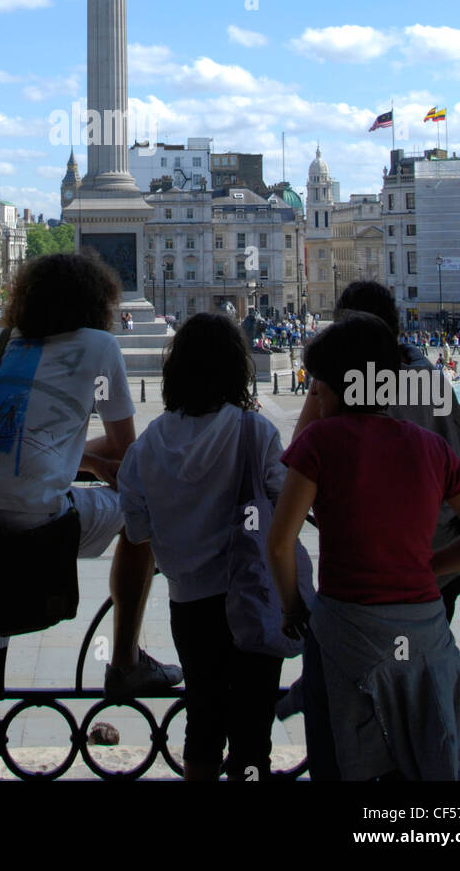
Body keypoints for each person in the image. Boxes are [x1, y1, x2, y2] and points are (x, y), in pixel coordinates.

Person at [0, 251, 181, 781]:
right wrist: (90, 461)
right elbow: (127, 457)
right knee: (146, 508)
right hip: (33, 524)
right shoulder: (100, 346)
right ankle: (125, 662)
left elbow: (14, 428)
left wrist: (76, 456)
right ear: (98, 300)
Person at [268, 312, 460, 781]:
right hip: (423, 629)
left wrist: (294, 609)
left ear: (334, 386)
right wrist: (425, 567)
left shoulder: (321, 441)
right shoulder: (430, 448)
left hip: (346, 628)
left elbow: (279, 544)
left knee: (340, 755)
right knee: (425, 756)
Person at [117, 314, 291, 782]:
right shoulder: (256, 433)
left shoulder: (149, 443)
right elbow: (286, 503)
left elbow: (135, 528)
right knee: (253, 731)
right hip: (252, 596)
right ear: (237, 369)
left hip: (189, 602)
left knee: (203, 719)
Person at [295, 281, 460, 622]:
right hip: (440, 559)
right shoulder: (429, 378)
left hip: (369, 569)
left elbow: (298, 459)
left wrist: (321, 385)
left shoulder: (347, 388)